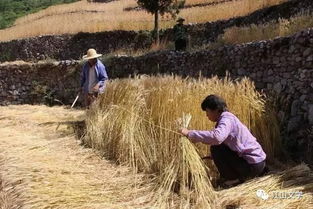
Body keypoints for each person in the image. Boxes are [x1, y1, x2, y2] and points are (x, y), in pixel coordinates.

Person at [180, 94, 267, 187]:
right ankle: (237, 177)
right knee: (219, 147)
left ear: (217, 110)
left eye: (207, 111)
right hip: (257, 163)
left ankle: (232, 180)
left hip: (252, 165)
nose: (207, 115)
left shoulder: (226, 119)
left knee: (216, 147)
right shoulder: (228, 118)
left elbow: (216, 137)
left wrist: (190, 133)